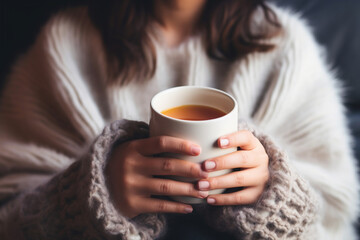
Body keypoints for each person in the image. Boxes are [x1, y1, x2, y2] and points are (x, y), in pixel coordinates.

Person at [0, 0, 358, 239]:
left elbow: (336, 219)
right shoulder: (66, 44)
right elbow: (11, 215)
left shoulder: (285, 45)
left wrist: (275, 196)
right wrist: (93, 195)